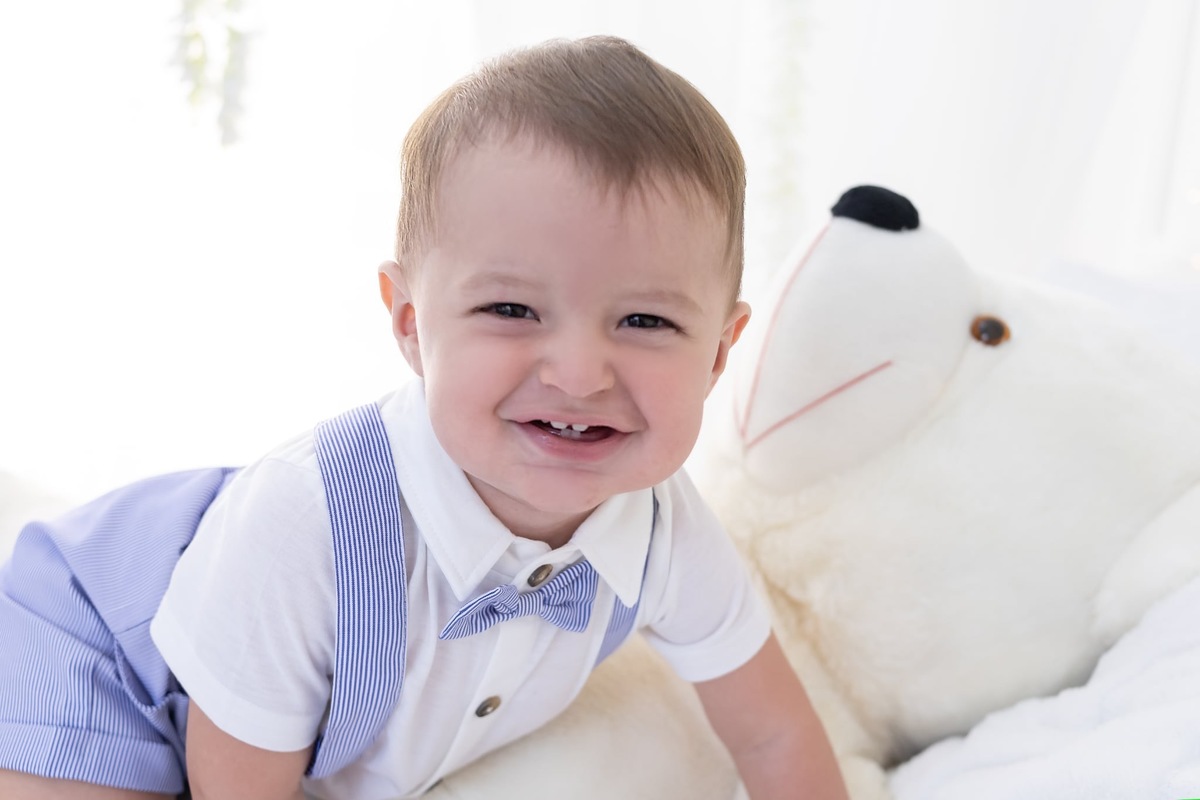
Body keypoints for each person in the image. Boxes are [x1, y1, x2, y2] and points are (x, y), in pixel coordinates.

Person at [0, 36, 849, 800]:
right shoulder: (307, 523)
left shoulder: (666, 531)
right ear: (410, 321)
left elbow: (772, 731)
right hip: (99, 662)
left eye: (647, 322)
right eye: (513, 309)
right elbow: (234, 777)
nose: (581, 373)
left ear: (719, 352)